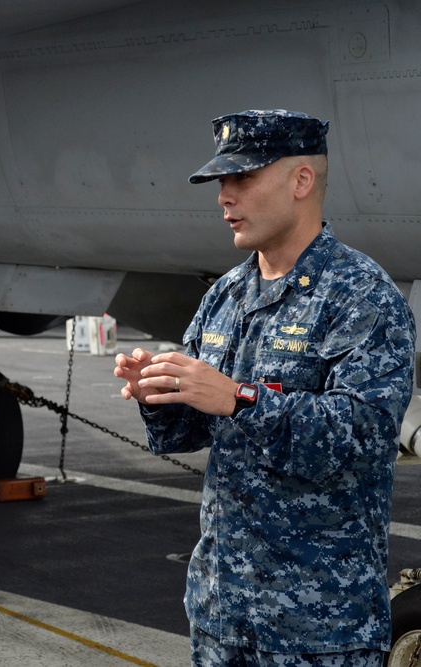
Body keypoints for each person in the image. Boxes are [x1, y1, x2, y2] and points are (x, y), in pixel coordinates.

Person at [114, 109, 416, 666]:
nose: (225, 197)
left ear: (302, 181)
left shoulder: (361, 295)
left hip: (321, 627)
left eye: (243, 178)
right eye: (221, 183)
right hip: (223, 615)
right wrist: (159, 394)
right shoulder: (226, 295)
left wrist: (239, 398)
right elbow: (192, 431)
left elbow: (365, 435)